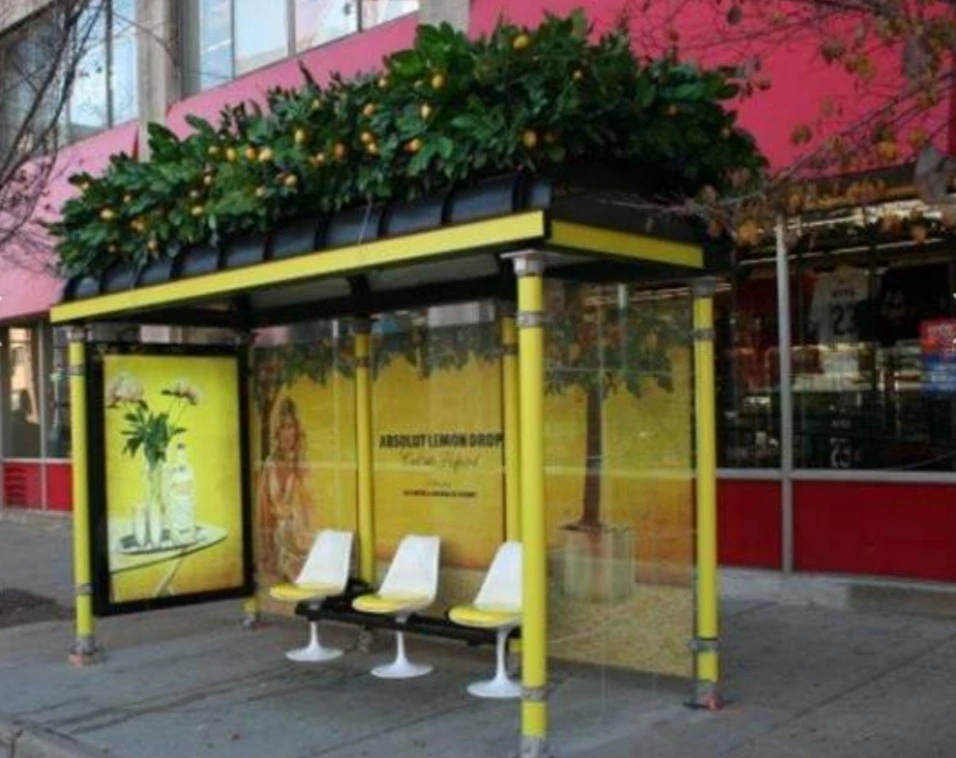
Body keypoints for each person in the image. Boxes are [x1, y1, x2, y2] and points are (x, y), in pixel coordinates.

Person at [257, 397, 315, 580]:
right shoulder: (270, 464)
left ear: (297, 430)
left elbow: (309, 512)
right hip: (274, 547)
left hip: (297, 545)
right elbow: (263, 511)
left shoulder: (303, 466)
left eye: (291, 426)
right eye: (283, 427)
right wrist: (266, 549)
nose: (287, 433)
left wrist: (290, 515)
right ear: (277, 431)